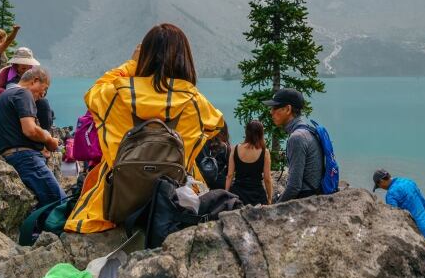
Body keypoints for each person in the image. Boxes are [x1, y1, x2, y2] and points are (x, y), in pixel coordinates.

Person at [65, 23, 225, 233]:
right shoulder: (195, 101)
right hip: (175, 202)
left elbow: (93, 92)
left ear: (145, 56)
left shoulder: (116, 94)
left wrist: (132, 64)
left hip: (113, 204)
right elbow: (216, 125)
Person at [0, 67, 65, 209]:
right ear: (35, 81)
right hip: (26, 158)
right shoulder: (23, 93)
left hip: (8, 158)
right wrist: (49, 140)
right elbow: (30, 130)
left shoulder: (1, 99)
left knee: (40, 205)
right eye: (44, 88)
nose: (43, 94)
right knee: (60, 203)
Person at [373, 169, 425, 274]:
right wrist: (422, 220)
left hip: (416, 232)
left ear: (381, 181)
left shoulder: (391, 195)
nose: (381, 188)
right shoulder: (408, 182)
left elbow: (395, 220)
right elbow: (424, 203)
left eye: (378, 185)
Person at [263, 88, 323, 203]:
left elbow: (294, 187)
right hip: (314, 195)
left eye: (275, 108)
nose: (271, 112)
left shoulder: (297, 138)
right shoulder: (307, 130)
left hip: (305, 201)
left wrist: (274, 208)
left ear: (288, 109)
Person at [0, 47, 54, 130]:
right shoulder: (6, 72)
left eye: (28, 67)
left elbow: (43, 89)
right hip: (12, 101)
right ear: (16, 64)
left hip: (32, 100)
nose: (25, 70)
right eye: (23, 68)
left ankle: (46, 131)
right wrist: (13, 94)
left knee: (44, 104)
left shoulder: (36, 72)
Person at [225, 120, 273, 205]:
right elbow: (267, 178)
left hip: (238, 193)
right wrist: (269, 198)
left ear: (247, 132)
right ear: (261, 133)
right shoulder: (265, 152)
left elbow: (230, 175)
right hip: (257, 195)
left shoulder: (235, 149)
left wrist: (226, 194)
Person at [196, 124, 231, 190]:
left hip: (201, 182)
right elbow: (229, 169)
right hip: (219, 184)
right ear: (225, 132)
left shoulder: (202, 142)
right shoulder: (225, 147)